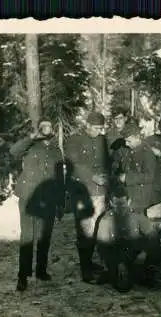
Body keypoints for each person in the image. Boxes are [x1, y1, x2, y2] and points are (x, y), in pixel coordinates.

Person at [9, 120, 63, 292]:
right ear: (39, 129)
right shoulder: (30, 145)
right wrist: (31, 137)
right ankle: (22, 276)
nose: (46, 128)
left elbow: (60, 178)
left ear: (53, 130)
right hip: (28, 197)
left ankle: (41, 270)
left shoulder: (56, 150)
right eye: (43, 126)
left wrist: (60, 203)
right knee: (27, 237)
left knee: (44, 237)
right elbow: (13, 151)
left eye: (49, 125)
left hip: (48, 199)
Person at [64, 111, 111, 283]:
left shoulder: (102, 140)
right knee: (85, 231)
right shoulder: (74, 140)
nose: (100, 131)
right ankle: (86, 271)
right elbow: (73, 164)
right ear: (88, 125)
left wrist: (107, 176)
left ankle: (89, 262)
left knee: (97, 229)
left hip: (101, 192)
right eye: (97, 128)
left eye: (101, 128)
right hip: (83, 192)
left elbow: (107, 161)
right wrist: (92, 176)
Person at [95, 185, 161, 292]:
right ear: (111, 203)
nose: (120, 208)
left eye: (123, 204)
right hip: (115, 254)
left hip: (133, 253)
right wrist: (118, 263)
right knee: (123, 288)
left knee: (155, 247)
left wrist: (144, 253)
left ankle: (147, 272)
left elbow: (153, 236)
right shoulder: (106, 220)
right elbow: (103, 247)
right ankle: (113, 274)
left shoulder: (137, 216)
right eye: (117, 204)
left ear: (129, 202)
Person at [112, 121, 161, 213]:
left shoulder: (147, 153)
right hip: (130, 195)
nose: (126, 144)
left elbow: (149, 176)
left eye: (129, 141)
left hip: (142, 199)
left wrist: (127, 177)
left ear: (137, 138)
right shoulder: (128, 151)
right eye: (125, 141)